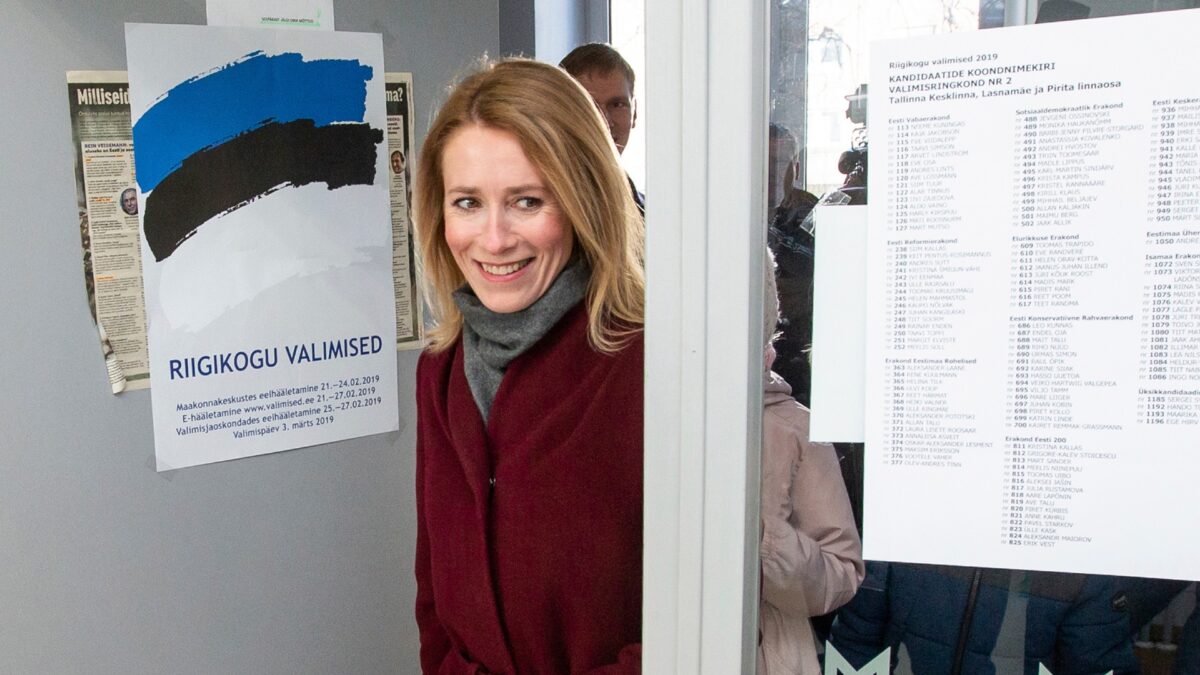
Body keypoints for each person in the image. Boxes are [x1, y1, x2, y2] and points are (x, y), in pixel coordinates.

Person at [412, 58, 645, 674]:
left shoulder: (648, 365)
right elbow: (434, 595)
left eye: (526, 201)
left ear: (583, 201)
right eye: (467, 202)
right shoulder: (441, 372)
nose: (492, 239)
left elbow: (698, 614)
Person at [759, 247, 864, 674]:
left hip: (765, 650)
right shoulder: (641, 411)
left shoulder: (797, 430)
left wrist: (767, 538)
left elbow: (841, 575)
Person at [560, 43, 645, 216]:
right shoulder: (542, 211)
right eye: (590, 106)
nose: (605, 122)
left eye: (617, 105)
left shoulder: (656, 220)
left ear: (634, 112)